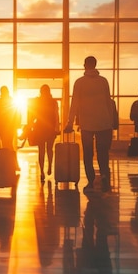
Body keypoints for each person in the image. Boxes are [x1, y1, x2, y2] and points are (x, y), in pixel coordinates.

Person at [64, 56, 114, 192]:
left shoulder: (79, 82)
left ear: (85, 65)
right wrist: (111, 121)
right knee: (103, 151)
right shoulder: (103, 81)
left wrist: (70, 122)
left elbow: (74, 103)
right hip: (103, 122)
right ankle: (104, 174)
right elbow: (108, 102)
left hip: (87, 123)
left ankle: (91, 180)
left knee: (88, 153)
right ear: (95, 65)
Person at [28, 84, 59, 183]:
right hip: (49, 128)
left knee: (41, 150)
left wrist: (31, 125)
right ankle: (49, 166)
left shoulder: (37, 102)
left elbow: (32, 115)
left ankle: (42, 171)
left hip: (40, 128)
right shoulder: (53, 102)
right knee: (49, 149)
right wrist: (56, 128)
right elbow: (56, 115)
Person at [0, 86, 20, 152]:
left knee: (6, 143)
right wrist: (17, 124)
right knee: (8, 143)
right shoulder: (12, 101)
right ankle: (11, 158)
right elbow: (17, 114)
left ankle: (10, 159)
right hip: (11, 126)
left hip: (3, 126)